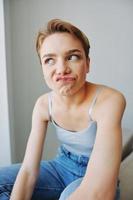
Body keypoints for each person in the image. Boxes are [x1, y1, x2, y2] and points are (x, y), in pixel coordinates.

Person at [0, 19, 126, 200]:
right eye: (49, 60)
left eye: (72, 57)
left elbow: (101, 191)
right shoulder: (43, 105)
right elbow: (28, 172)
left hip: (98, 173)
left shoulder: (110, 100)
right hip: (61, 166)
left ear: (87, 64)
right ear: (42, 68)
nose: (61, 69)